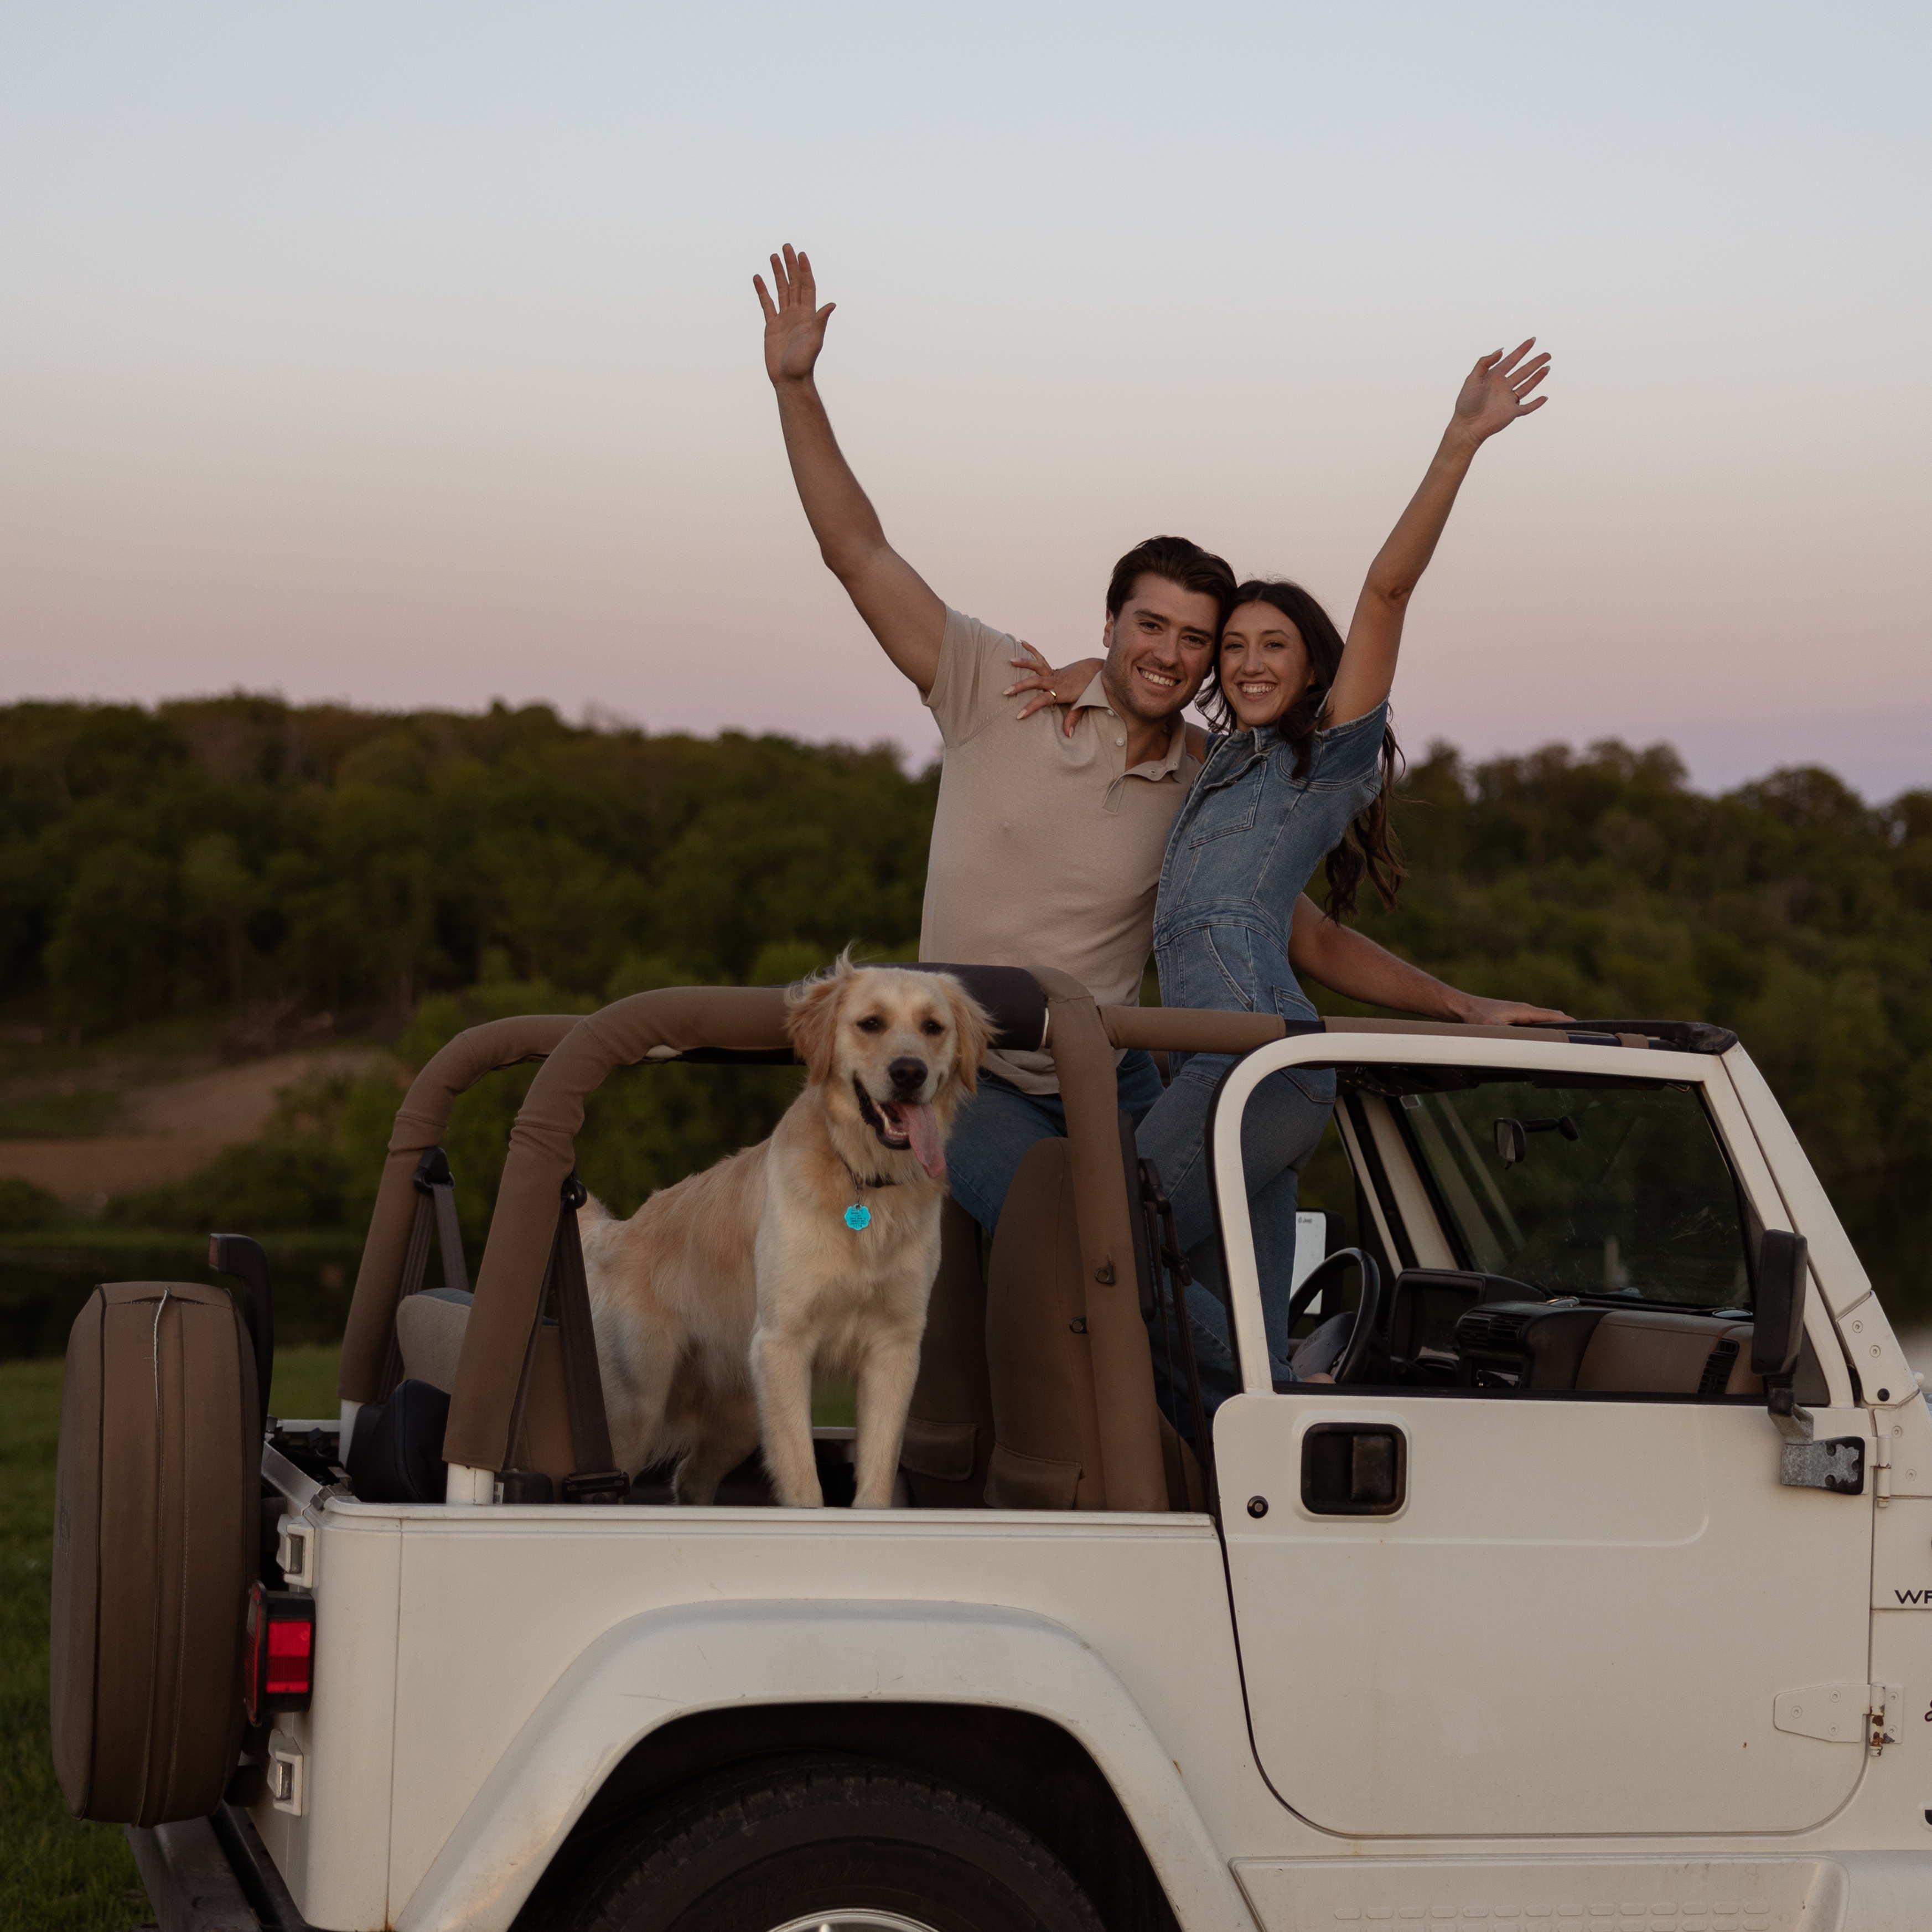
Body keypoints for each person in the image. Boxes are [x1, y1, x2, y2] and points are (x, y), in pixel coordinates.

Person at [754, 242, 1565, 1272]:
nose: (1170, 654)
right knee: (1077, 1258)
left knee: (1154, 1280)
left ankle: (1243, 1425)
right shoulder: (995, 686)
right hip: (971, 1071)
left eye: (1198, 639)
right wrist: (796, 387)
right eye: (1152, 627)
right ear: (1112, 621)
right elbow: (857, 551)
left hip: (1119, 1074)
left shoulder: (1205, 778)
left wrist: (1459, 1003)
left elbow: (1302, 936)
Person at [1014, 339, 1556, 1404]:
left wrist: (1459, 442)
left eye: (1275, 645)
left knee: (1107, 1234)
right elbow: (1315, 939)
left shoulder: (1322, 765)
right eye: (1235, 649)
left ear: (1312, 666)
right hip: (1212, 1066)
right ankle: (1253, 1453)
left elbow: (1389, 591)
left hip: (1260, 1068)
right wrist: (1096, 670)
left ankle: (1288, 1409)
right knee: (1245, 1296)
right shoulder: (1220, 772)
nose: (1248, 663)